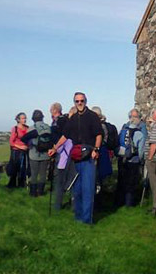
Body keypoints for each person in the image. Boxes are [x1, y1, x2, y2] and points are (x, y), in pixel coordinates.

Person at [49, 92, 103, 224]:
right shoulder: (72, 119)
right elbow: (65, 135)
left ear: (85, 101)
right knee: (76, 189)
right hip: (76, 156)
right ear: (74, 102)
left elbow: (99, 134)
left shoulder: (92, 117)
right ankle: (78, 217)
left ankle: (86, 220)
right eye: (77, 101)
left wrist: (96, 149)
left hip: (89, 155)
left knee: (88, 189)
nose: (79, 103)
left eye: (82, 101)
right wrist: (55, 148)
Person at [115, 109, 146, 207]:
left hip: (121, 158)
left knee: (121, 181)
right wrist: (141, 160)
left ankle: (119, 202)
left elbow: (117, 143)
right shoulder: (139, 133)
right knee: (131, 183)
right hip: (133, 160)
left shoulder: (123, 130)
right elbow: (141, 150)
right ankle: (129, 203)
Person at [50, 103, 74, 211]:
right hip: (73, 160)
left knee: (59, 184)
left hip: (63, 160)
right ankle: (74, 206)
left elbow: (60, 146)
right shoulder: (77, 134)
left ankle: (57, 206)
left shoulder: (62, 128)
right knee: (73, 184)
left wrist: (55, 148)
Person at [26, 110, 52, 197]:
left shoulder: (31, 128)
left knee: (34, 174)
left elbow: (28, 141)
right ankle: (41, 192)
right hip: (46, 154)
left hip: (34, 153)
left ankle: (33, 193)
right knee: (43, 174)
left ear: (33, 118)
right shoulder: (48, 127)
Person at [91, 106, 116, 193]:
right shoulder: (104, 125)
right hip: (103, 150)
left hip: (99, 150)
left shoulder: (99, 126)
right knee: (100, 175)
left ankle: (99, 193)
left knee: (97, 174)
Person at [7, 112, 29, 189]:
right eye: (23, 118)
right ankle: (12, 184)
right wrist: (20, 147)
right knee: (14, 168)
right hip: (16, 151)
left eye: (25, 118)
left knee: (23, 168)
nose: (25, 120)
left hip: (25, 151)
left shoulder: (27, 128)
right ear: (18, 120)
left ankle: (21, 184)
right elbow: (11, 142)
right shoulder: (15, 129)